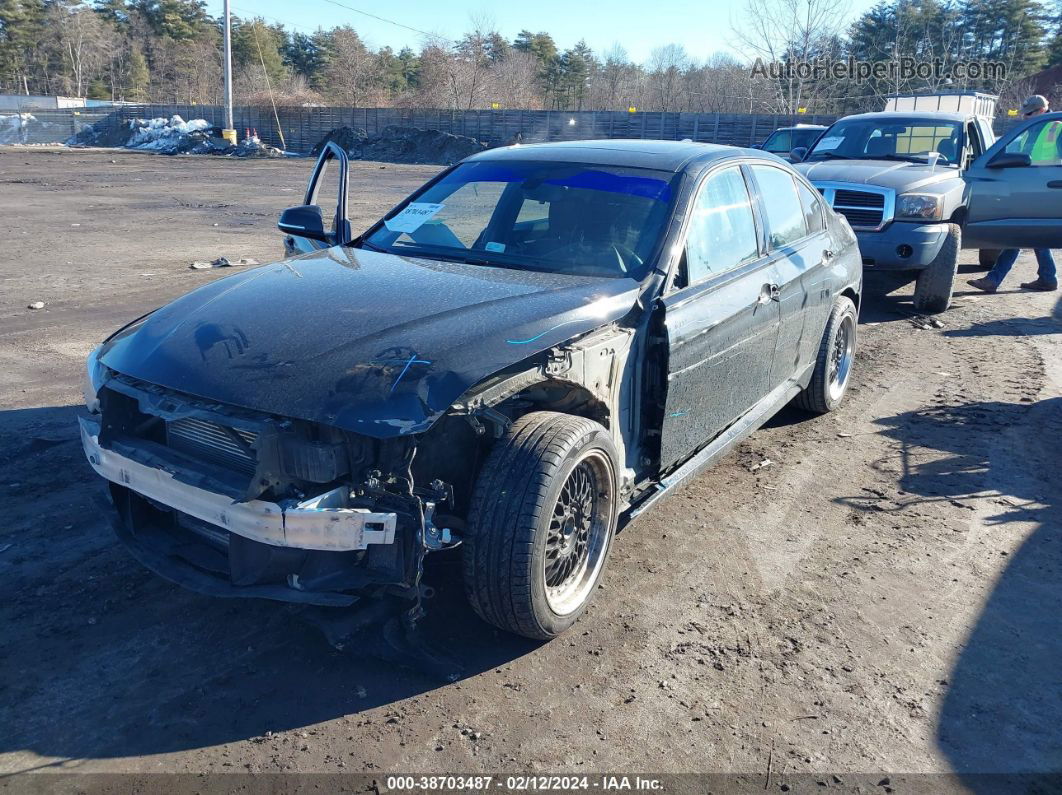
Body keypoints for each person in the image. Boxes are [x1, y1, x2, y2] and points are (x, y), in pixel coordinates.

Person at [968, 94, 1058, 294]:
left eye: (1029, 113)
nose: (1025, 117)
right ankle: (1047, 277)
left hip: (1047, 188)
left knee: (1024, 235)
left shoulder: (1055, 127)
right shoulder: (1037, 127)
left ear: (1041, 110)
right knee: (1028, 234)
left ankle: (995, 280)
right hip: (1034, 186)